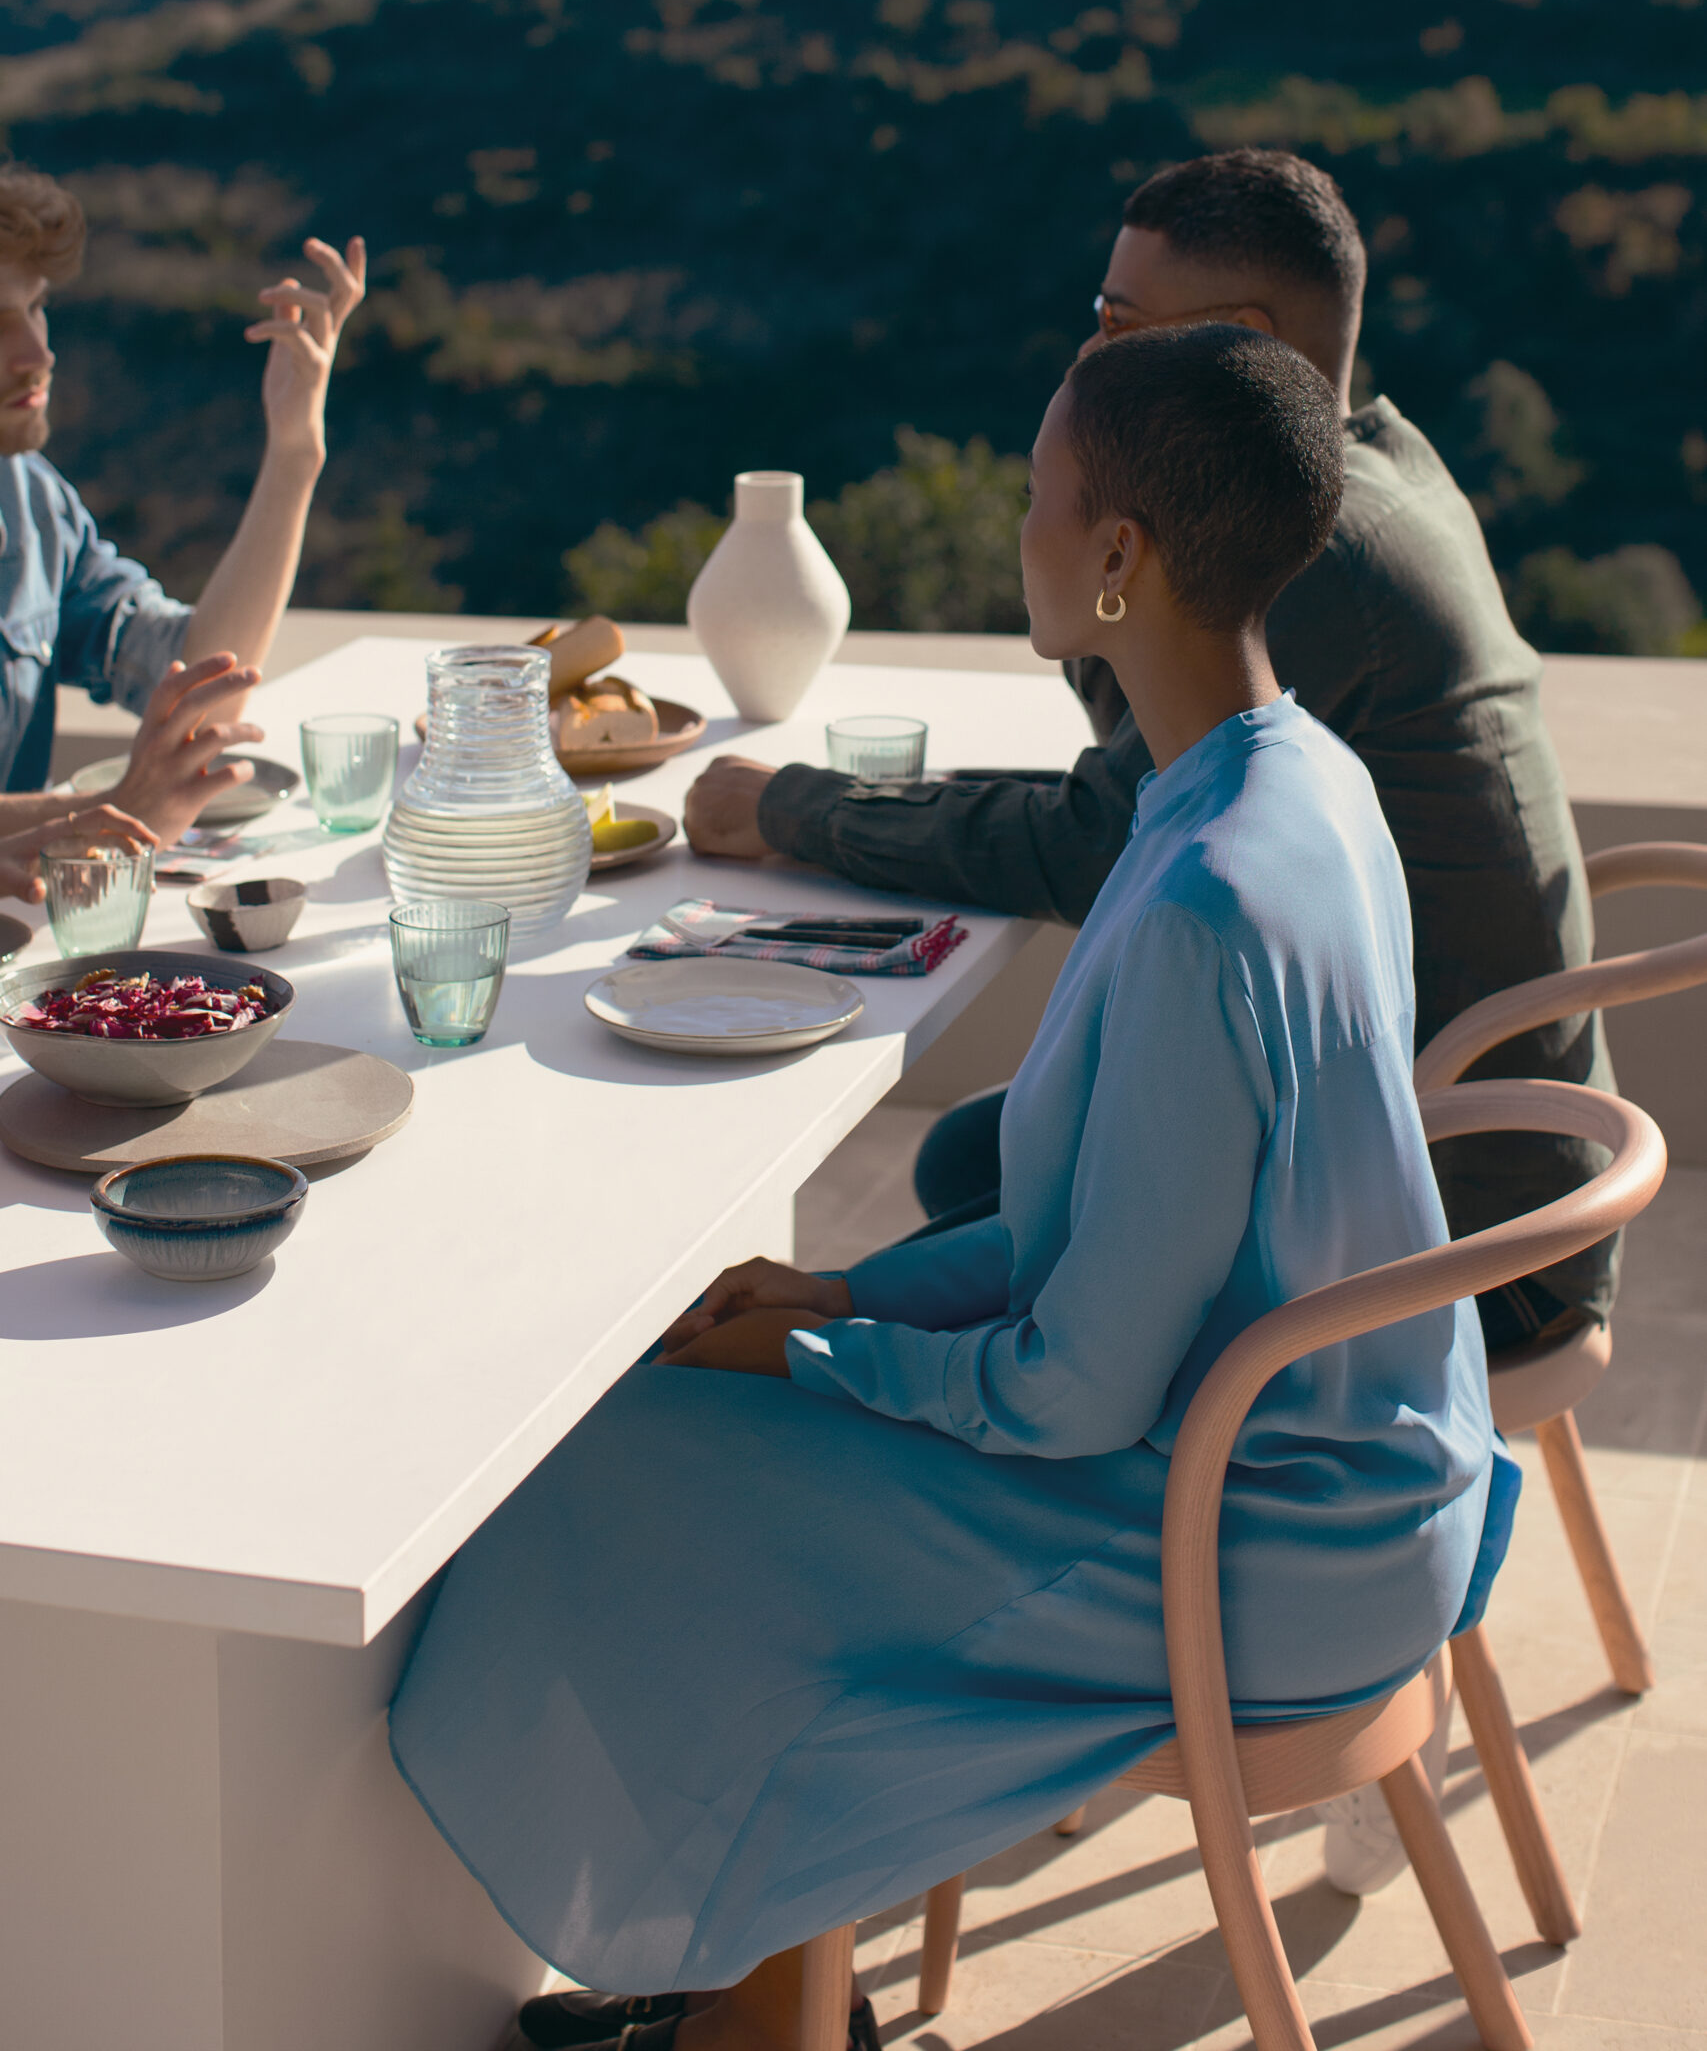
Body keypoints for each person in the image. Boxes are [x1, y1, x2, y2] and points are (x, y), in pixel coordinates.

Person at [390, 328, 1514, 2051]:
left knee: (619, 1476)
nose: (1022, 533)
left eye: (1041, 500)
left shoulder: (1205, 885)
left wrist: (826, 1364)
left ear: (1120, 558)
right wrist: (842, 1302)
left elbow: (1074, 1387)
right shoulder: (1295, 781)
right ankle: (748, 1993)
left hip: (1254, 1544)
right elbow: (1132, 1244)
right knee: (713, 1435)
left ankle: (747, 2020)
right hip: (1349, 1482)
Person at [682, 151, 1613, 1370]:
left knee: (997, 1194)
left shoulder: (1326, 556)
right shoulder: (1383, 465)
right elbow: (1135, 762)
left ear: (1235, 337)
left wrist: (800, 811)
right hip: (1456, 1135)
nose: (1087, 355)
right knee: (987, 1155)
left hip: (1461, 1232)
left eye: (1118, 325)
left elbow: (1091, 839)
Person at [0, 163, 364, 873]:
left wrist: (294, 453)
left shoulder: (31, 503)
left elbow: (200, 689)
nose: (38, 354)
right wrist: (111, 812)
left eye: (36, 307)